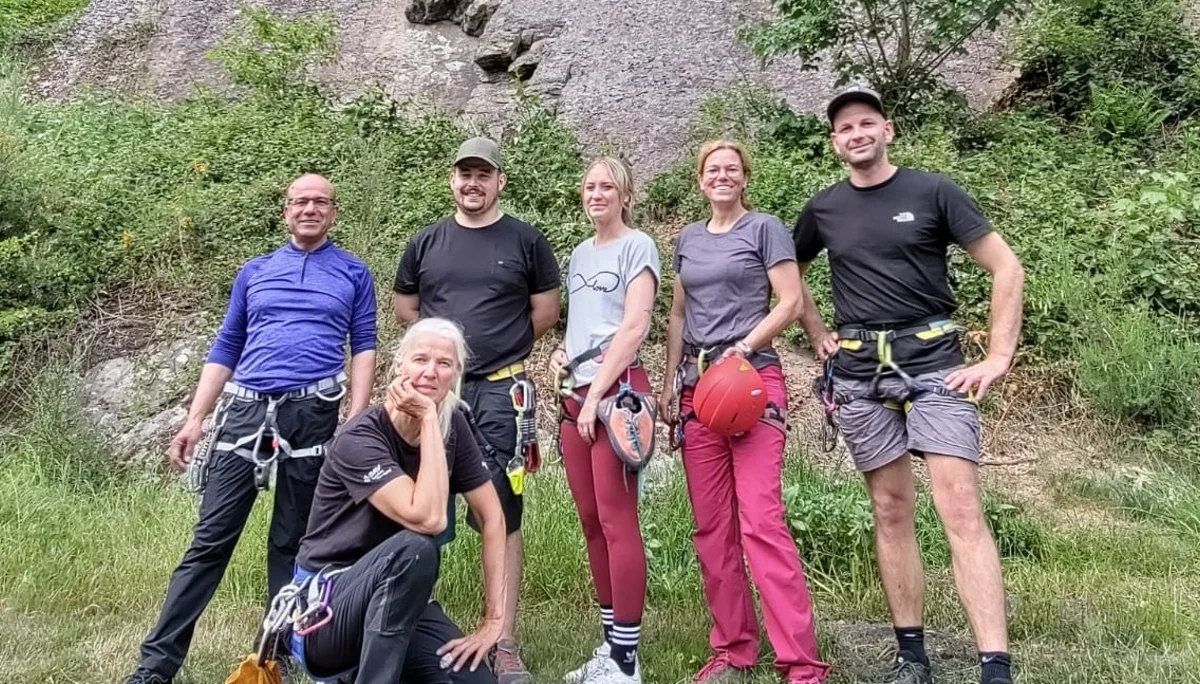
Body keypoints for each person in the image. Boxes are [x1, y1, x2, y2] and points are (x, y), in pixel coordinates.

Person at [793, 84, 1025, 684]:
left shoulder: (933, 191)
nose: (857, 134)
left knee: (961, 509)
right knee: (891, 509)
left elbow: (1006, 267)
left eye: (867, 123)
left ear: (888, 129)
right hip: (861, 374)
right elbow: (786, 274)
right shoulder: (823, 209)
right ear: (834, 142)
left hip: (936, 366)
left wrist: (998, 355)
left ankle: (994, 667)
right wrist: (816, 328)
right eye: (846, 129)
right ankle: (911, 657)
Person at [123, 174, 378, 684]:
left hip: (312, 414)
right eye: (300, 202)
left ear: (334, 212)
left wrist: (355, 415)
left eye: (320, 202)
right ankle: (155, 667)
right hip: (244, 412)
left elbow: (365, 344)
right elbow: (227, 345)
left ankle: (277, 652)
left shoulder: (353, 273)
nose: (309, 209)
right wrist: (195, 418)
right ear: (285, 212)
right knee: (210, 540)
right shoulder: (255, 272)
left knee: (294, 541)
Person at [659, 140, 830, 684]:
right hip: (697, 389)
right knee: (712, 528)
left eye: (732, 169)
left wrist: (746, 345)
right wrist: (669, 385)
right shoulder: (687, 238)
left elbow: (791, 300)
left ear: (745, 177)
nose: (722, 176)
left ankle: (801, 665)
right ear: (701, 180)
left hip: (752, 381)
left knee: (761, 521)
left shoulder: (765, 229)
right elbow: (679, 314)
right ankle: (733, 650)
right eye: (713, 169)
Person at [393, 136, 561, 683]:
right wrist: (446, 365)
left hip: (499, 395)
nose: (473, 183)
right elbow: (406, 309)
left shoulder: (526, 240)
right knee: (420, 510)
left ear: (499, 182)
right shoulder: (425, 241)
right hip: (434, 396)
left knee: (503, 514)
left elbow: (545, 310)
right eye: (464, 173)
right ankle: (412, 629)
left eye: (483, 174)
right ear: (451, 180)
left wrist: (496, 354)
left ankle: (504, 640)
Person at [274, 317, 506, 684]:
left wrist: (494, 622)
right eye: (420, 360)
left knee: (475, 682)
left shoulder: (453, 426)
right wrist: (429, 420)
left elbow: (492, 516)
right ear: (399, 365)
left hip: (401, 600)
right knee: (415, 549)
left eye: (444, 364)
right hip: (325, 610)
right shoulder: (359, 437)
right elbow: (428, 520)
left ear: (456, 374)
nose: (430, 372)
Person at [548, 158, 660, 684]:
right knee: (591, 521)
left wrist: (595, 394)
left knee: (618, 522)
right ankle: (608, 647)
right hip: (577, 395)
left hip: (616, 399)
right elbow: (587, 326)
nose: (596, 194)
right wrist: (562, 356)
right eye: (589, 186)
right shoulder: (578, 254)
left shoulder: (638, 246)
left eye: (606, 186)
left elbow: (634, 325)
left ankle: (627, 660)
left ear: (625, 194)